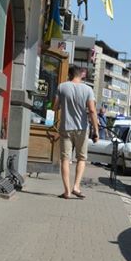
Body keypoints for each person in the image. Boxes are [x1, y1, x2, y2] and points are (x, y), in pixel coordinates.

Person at [53, 65, 100, 199]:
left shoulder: (62, 87)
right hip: (82, 128)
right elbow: (92, 111)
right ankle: (76, 187)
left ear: (69, 75)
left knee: (65, 159)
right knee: (81, 158)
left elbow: (55, 106)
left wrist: (62, 104)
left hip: (66, 127)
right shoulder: (88, 89)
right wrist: (96, 130)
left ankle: (67, 191)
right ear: (81, 75)